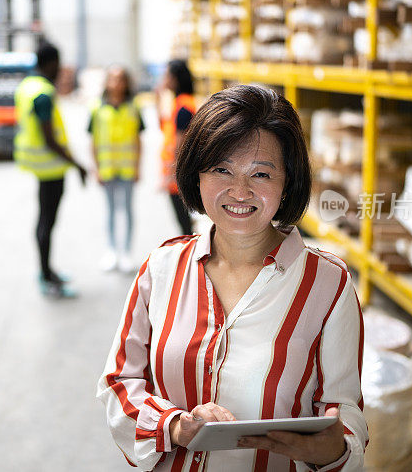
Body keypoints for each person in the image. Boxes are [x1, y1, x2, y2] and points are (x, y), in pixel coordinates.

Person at [97, 85, 367, 471]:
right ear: (197, 173)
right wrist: (173, 426)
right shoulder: (161, 268)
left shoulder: (327, 284)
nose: (240, 191)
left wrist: (331, 450)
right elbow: (119, 382)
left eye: (261, 173)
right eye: (222, 169)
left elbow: (346, 413)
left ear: (287, 181)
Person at [14, 42, 87, 298]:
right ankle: (46, 275)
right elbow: (49, 139)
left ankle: (47, 270)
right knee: (46, 221)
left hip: (40, 164)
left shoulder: (27, 85)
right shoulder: (43, 92)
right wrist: (76, 163)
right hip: (50, 167)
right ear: (51, 63)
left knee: (45, 219)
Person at [88, 65, 145, 273]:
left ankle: (126, 252)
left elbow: (139, 140)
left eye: (121, 79)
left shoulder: (134, 107)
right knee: (111, 211)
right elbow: (93, 141)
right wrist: (95, 168)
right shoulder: (97, 108)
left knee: (128, 210)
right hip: (108, 169)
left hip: (128, 168)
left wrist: (139, 166)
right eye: (112, 79)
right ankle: (111, 251)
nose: (117, 83)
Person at [156, 59, 195, 236]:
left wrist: (172, 174)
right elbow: (164, 127)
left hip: (177, 178)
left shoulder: (183, 107)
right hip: (176, 175)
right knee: (183, 221)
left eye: (167, 75)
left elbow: (180, 145)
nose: (164, 79)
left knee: (184, 223)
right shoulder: (179, 103)